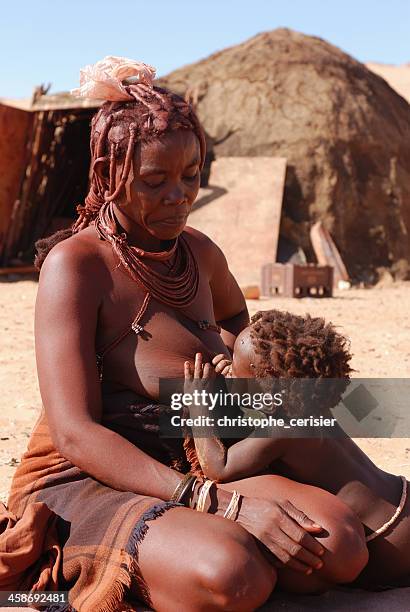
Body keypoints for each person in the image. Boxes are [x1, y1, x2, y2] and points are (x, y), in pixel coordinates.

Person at [2, 57, 367, 612]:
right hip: (95, 472)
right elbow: (77, 434)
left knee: (338, 547)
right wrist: (221, 504)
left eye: (191, 175)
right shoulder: (76, 267)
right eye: (155, 180)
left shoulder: (198, 252)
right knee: (233, 574)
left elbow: (243, 330)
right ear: (109, 175)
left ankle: (201, 550)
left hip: (197, 453)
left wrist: (236, 371)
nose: (180, 195)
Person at [184, 309, 410, 591]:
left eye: (237, 371)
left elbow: (218, 467)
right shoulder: (312, 406)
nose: (229, 373)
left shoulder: (282, 431)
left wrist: (198, 404)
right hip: (401, 500)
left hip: (388, 544)